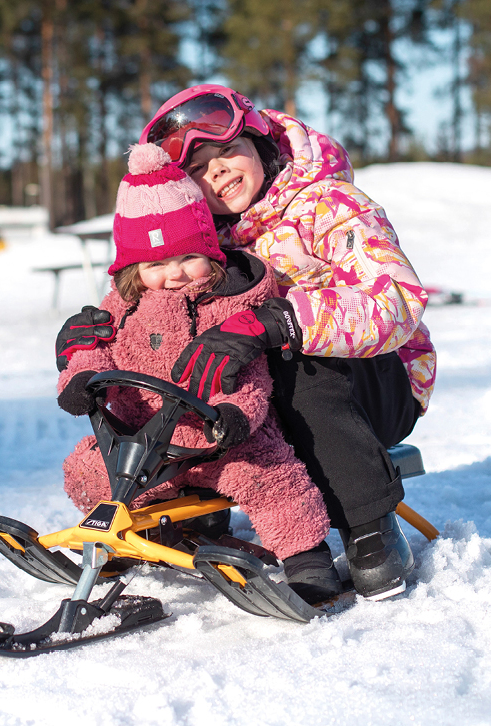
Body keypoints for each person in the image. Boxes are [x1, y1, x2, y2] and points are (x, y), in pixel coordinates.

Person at [56, 85, 436, 601]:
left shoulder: (328, 205)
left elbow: (396, 303)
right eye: (198, 168)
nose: (217, 172)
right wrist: (98, 330)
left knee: (292, 360)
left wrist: (276, 321)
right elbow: (144, 293)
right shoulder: (199, 231)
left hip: (373, 386)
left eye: (227, 151)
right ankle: (183, 513)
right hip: (262, 396)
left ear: (261, 144)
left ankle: (369, 526)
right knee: (176, 350)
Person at [55, 142, 342, 605]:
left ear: (210, 250)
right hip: (143, 446)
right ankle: (127, 540)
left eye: (187, 258)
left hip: (222, 438)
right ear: (133, 269)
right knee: (88, 470)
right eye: (155, 265)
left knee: (270, 478)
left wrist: (233, 414)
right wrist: (79, 380)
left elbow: (250, 377)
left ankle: (305, 556)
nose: (175, 275)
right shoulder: (122, 308)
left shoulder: (230, 304)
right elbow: (94, 349)